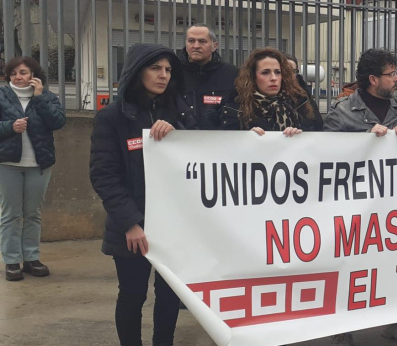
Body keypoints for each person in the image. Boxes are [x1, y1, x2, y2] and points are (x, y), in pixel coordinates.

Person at [90, 44, 196, 346]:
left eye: (168, 69)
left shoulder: (178, 113)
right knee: (132, 294)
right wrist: (130, 223)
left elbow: (202, 150)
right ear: (137, 71)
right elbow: (104, 175)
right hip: (132, 228)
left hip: (172, 225)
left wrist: (178, 130)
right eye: (155, 68)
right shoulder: (111, 117)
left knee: (169, 294)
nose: (163, 75)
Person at [324, 49, 397, 346]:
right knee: (349, 268)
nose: (396, 79)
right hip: (354, 207)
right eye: (391, 74)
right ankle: (342, 330)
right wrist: (364, 140)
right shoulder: (343, 110)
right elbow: (327, 154)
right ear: (373, 79)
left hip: (394, 205)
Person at [0, 57, 65, 281]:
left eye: (23, 72)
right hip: (7, 164)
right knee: (10, 215)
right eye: (14, 73)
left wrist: (39, 97)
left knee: (32, 214)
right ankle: (11, 261)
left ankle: (31, 258)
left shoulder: (46, 96)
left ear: (33, 75)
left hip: (38, 165)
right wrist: (10, 126)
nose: (18, 77)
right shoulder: (2, 96)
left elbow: (58, 122)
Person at [218, 49, 323, 134]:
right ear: (253, 77)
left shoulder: (300, 102)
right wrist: (246, 137)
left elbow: (316, 135)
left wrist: (300, 134)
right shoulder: (236, 106)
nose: (273, 78)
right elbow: (226, 143)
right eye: (265, 72)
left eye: (278, 72)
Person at [177, 24, 238, 130]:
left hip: (222, 138)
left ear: (215, 46)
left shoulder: (233, 74)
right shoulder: (174, 73)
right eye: (191, 41)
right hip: (180, 138)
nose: (196, 46)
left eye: (202, 41)